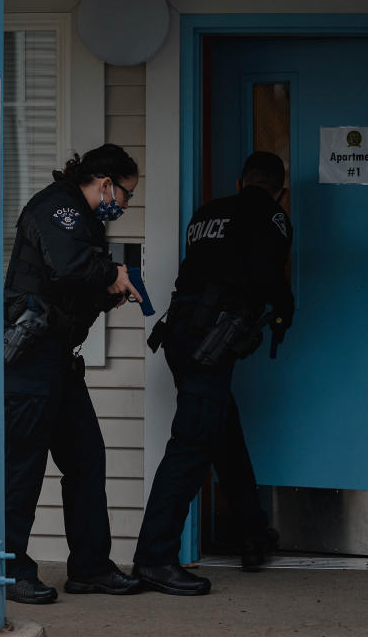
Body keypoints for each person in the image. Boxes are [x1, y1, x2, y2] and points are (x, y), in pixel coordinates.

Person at [132, 151, 293, 595]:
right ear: (280, 190)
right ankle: (154, 558)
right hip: (212, 340)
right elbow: (271, 280)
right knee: (192, 444)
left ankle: (252, 532)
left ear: (241, 182)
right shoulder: (273, 216)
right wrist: (282, 313)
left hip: (181, 336)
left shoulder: (207, 213)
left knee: (222, 430)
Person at [2, 144, 145, 604]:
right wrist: (112, 272)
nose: (124, 205)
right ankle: (10, 570)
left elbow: (70, 286)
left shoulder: (84, 221)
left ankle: (90, 568)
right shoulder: (58, 207)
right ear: (105, 183)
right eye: (125, 195)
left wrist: (110, 291)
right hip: (30, 360)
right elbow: (69, 265)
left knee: (86, 460)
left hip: (59, 362)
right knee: (21, 469)